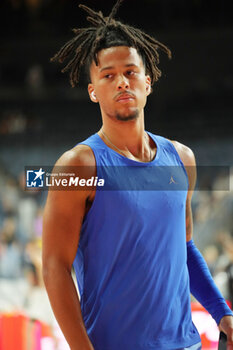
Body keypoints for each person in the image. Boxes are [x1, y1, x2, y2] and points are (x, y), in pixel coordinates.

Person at [42, 1, 233, 349]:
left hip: (185, 343)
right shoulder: (78, 166)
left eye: (130, 72)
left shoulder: (182, 159)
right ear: (92, 90)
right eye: (109, 75)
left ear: (148, 82)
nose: (122, 83)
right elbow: (55, 267)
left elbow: (184, 248)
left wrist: (222, 311)